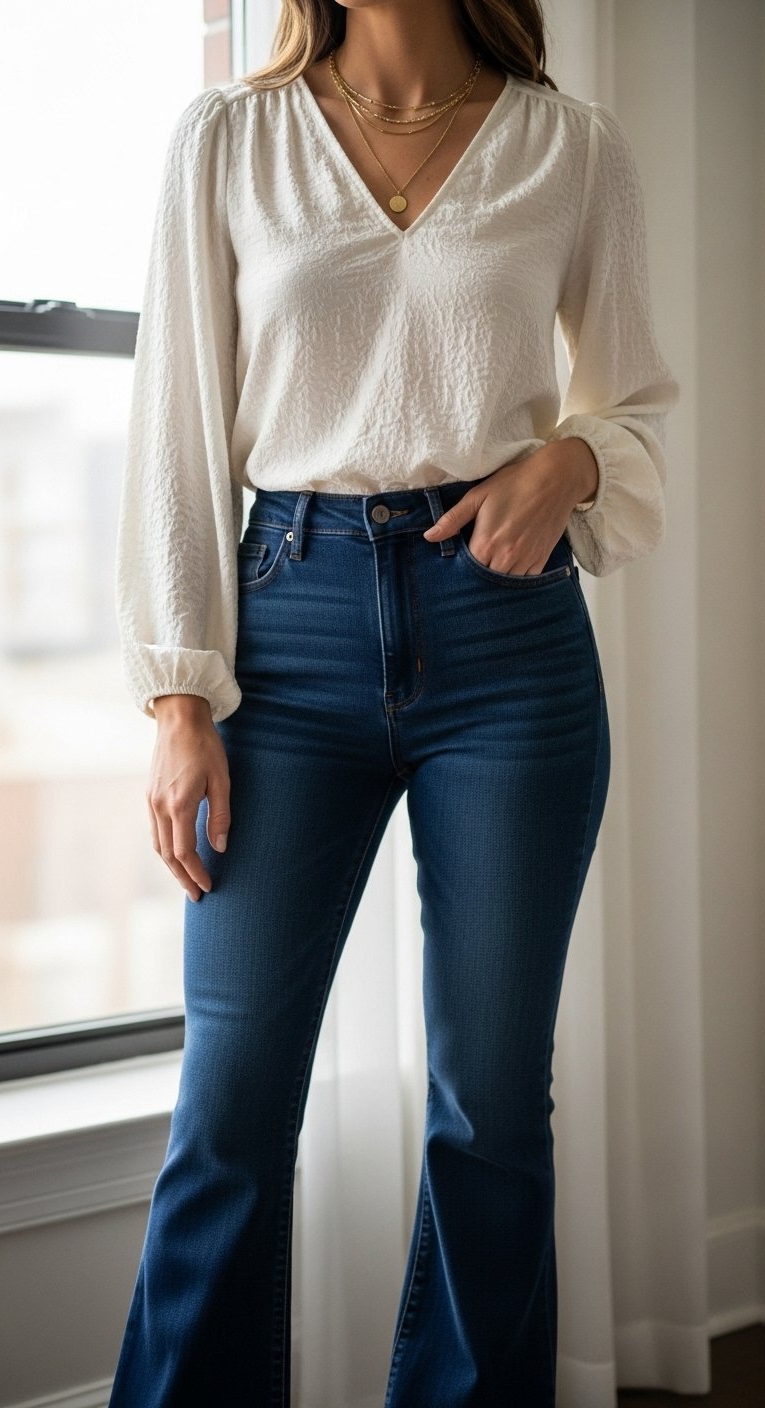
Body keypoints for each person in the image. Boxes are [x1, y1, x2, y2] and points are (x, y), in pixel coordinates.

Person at [108, 0, 680, 1403]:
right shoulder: (230, 140)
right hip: (283, 633)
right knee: (231, 1108)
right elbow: (174, 419)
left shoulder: (572, 148)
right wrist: (180, 697)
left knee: (494, 1107)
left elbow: (643, 400)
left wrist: (578, 463)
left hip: (510, 642)